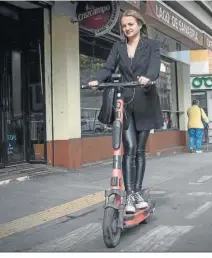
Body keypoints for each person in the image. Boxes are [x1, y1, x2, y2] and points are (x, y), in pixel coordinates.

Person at [88, 10, 162, 214]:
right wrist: (98, 80)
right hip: (126, 102)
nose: (127, 28)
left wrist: (148, 77)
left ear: (139, 24)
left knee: (139, 149)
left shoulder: (152, 46)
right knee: (129, 147)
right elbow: (108, 67)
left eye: (131, 24)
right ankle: (129, 195)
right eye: (124, 26)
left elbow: (155, 68)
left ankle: (137, 192)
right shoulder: (118, 47)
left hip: (146, 101)